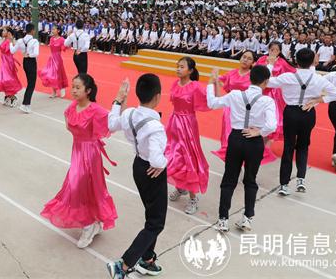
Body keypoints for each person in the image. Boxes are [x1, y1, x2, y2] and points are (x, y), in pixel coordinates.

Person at [41, 74, 117, 249]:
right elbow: (69, 124)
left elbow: (112, 123)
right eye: (73, 87)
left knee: (81, 187)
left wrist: (119, 100)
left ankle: (89, 225)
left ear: (88, 91)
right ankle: (91, 223)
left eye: (78, 87)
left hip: (90, 155)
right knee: (79, 189)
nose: (73, 90)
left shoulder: (96, 109)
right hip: (77, 152)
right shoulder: (72, 107)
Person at [106, 74, 167, 278]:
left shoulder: (130, 113)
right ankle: (124, 264)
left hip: (138, 166)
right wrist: (164, 163)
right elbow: (158, 161)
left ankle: (148, 259)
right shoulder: (156, 127)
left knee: (152, 216)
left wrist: (118, 99)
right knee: (156, 223)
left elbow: (112, 123)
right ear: (158, 96)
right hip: (152, 171)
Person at [208, 66, 277, 233]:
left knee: (229, 179)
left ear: (250, 78)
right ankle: (247, 217)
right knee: (250, 179)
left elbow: (212, 103)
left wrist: (212, 83)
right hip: (254, 141)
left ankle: (223, 219)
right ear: (266, 82)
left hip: (236, 138)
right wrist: (259, 132)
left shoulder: (235, 95)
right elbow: (272, 125)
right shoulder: (267, 100)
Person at [267, 48, 336, 196]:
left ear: (296, 61)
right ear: (313, 61)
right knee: (303, 146)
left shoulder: (288, 76)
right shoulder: (318, 78)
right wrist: (317, 100)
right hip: (308, 113)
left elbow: (268, 82)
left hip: (291, 113)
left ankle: (284, 184)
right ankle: (301, 179)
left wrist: (270, 64)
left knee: (288, 147)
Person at [165, 57, 210, 215]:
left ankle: (193, 197)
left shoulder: (196, 86)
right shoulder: (174, 84)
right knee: (173, 157)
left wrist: (215, 83)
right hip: (174, 123)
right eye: (177, 66)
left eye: (182, 67)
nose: (178, 69)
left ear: (190, 70)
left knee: (189, 158)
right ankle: (180, 187)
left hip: (188, 126)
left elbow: (209, 101)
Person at [256, 42, 296, 161]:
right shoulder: (262, 59)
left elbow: (294, 72)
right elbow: (257, 74)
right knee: (260, 119)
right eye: (271, 49)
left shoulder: (282, 62)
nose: (273, 52)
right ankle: (260, 145)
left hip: (275, 95)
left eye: (276, 50)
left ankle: (266, 148)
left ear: (280, 51)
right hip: (261, 92)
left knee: (272, 120)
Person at [211, 51, 253, 162]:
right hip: (230, 110)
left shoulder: (253, 76)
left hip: (245, 110)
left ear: (253, 62)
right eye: (244, 57)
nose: (245, 60)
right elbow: (219, 81)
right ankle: (231, 161)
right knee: (228, 136)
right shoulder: (232, 73)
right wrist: (215, 77)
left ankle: (241, 161)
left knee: (242, 137)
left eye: (249, 58)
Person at [12, 23, 39, 114]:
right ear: (32, 31)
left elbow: (12, 50)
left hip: (25, 62)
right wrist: (29, 54)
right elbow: (36, 53)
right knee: (31, 84)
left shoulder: (20, 40)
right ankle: (25, 104)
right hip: (31, 61)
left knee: (29, 83)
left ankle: (26, 104)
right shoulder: (35, 41)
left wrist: (11, 42)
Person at [0, 27, 22, 107]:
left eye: (4, 31)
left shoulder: (9, 41)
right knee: (3, 79)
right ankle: (8, 96)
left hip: (8, 62)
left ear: (8, 33)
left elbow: (12, 50)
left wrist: (12, 40)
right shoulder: (5, 40)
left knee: (8, 79)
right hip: (4, 61)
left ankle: (13, 97)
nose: (2, 32)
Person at [38, 26, 68, 98]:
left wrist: (67, 44)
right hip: (51, 58)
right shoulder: (51, 38)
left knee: (59, 74)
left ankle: (62, 89)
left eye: (54, 29)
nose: (52, 30)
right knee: (51, 74)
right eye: (52, 29)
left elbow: (63, 48)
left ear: (58, 31)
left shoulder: (62, 39)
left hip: (58, 59)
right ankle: (54, 91)